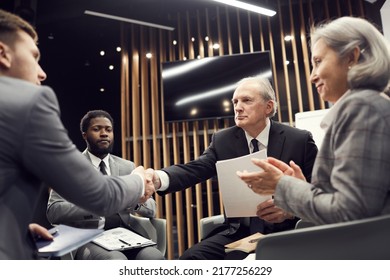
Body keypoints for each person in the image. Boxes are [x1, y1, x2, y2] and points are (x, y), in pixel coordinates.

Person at [0, 9, 155, 259]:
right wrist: (138, 179)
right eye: (34, 57)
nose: (42, 73)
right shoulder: (29, 102)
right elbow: (101, 196)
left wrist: (18, 230)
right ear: (2, 54)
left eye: (108, 129)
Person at [238, 16, 390, 225]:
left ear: (352, 58)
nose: (312, 76)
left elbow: (350, 214)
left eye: (318, 62)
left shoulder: (362, 108)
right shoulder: (368, 104)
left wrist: (281, 185)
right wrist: (301, 187)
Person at [153, 75, 318, 259]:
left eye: (246, 100)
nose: (238, 107)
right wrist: (159, 178)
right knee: (190, 259)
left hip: (287, 231)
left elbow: (319, 192)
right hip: (240, 233)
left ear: (268, 107)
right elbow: (196, 168)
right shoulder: (223, 140)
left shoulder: (299, 140)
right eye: (235, 102)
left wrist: (290, 210)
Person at [47, 110, 164, 260]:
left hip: (124, 235)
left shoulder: (127, 167)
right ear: (84, 134)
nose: (104, 134)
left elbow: (152, 208)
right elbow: (54, 211)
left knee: (154, 257)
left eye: (108, 130)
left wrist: (134, 200)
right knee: (116, 260)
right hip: (87, 237)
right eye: (97, 129)